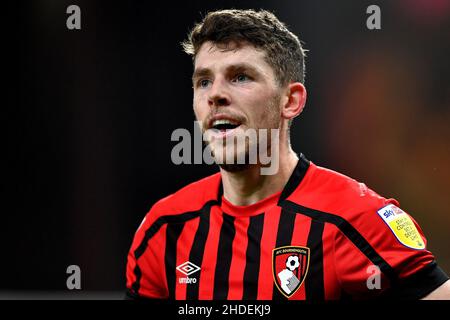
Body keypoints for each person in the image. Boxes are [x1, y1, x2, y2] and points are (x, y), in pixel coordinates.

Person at [125, 9, 450, 300]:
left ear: (291, 101)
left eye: (240, 77)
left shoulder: (355, 219)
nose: (216, 95)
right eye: (204, 81)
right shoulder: (165, 228)